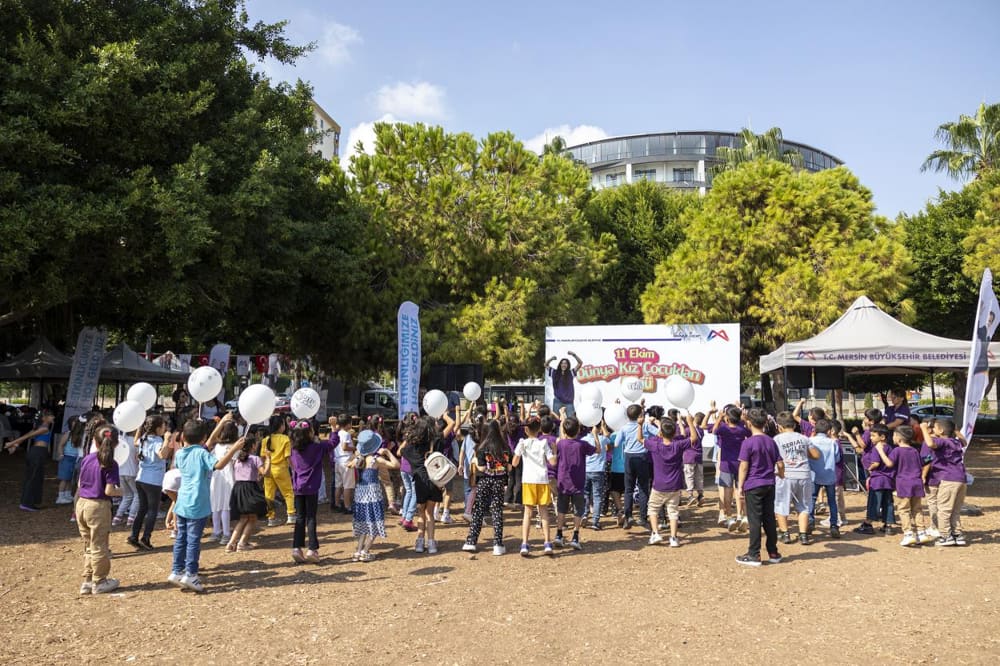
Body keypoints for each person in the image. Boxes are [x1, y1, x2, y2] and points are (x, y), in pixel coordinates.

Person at [169, 419, 245, 593]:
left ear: (183, 437)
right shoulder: (202, 454)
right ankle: (191, 574)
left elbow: (209, 441)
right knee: (193, 540)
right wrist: (233, 449)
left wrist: (222, 423)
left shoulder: (181, 453)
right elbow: (217, 465)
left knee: (181, 538)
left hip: (182, 502)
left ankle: (176, 570)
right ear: (202, 438)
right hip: (197, 502)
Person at [75, 425, 122, 594]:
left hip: (82, 503)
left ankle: (88, 580)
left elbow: (80, 484)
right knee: (100, 545)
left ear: (95, 441)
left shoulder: (87, 458)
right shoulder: (110, 464)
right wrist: (122, 491)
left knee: (89, 544)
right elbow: (110, 491)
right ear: (116, 444)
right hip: (98, 506)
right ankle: (100, 581)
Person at [735, 408, 785, 567]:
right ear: (765, 423)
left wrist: (740, 486)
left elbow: (743, 467)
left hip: (753, 484)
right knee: (769, 518)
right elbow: (780, 463)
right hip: (769, 483)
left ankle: (754, 554)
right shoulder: (771, 441)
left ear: (748, 423)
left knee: (755, 519)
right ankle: (773, 552)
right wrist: (781, 475)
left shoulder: (747, 442)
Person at [642, 413, 699, 548]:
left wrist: (640, 425)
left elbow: (640, 439)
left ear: (661, 433)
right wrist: (690, 422)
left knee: (652, 509)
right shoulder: (678, 445)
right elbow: (693, 438)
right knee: (673, 511)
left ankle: (655, 533)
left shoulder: (656, 445)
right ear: (675, 433)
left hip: (659, 485)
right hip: (675, 485)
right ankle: (673, 538)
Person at [874, 425, 931, 547]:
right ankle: (921, 532)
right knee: (917, 509)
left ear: (899, 438)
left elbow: (889, 463)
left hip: (904, 483)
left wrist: (880, 451)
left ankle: (908, 534)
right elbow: (921, 463)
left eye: (894, 435)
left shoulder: (897, 451)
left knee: (904, 509)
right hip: (916, 482)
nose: (892, 437)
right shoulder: (915, 450)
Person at [349, 429, 400, 561]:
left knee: (363, 522)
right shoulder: (376, 459)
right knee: (375, 521)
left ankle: (359, 551)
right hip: (373, 493)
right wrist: (388, 452)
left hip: (360, 494)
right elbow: (396, 464)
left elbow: (348, 464)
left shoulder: (358, 460)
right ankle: (365, 551)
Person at [289, 421, 335, 564]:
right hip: (311, 487)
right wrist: (333, 428)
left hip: (298, 487)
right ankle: (312, 549)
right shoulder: (316, 447)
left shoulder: (294, 450)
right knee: (311, 518)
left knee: (299, 517)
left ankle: (296, 548)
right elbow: (333, 443)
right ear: (310, 433)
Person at [462, 420, 511, 555]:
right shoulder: (505, 447)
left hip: (484, 481)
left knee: (478, 510)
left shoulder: (482, 448)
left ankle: (471, 541)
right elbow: (510, 467)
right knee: (497, 512)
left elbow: (482, 468)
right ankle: (498, 544)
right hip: (500, 482)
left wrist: (475, 461)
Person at [399, 417, 444, 554]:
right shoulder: (436, 442)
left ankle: (419, 542)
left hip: (419, 481)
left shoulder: (412, 446)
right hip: (434, 480)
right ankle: (431, 543)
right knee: (430, 513)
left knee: (420, 513)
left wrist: (408, 438)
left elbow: (400, 451)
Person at [513, 416, 557, 556]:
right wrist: (555, 451)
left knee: (528, 513)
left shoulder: (522, 443)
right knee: (543, 512)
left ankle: (525, 544)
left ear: (526, 429)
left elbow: (514, 463)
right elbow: (553, 462)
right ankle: (547, 543)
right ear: (539, 429)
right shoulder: (544, 443)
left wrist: (518, 452)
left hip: (528, 480)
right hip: (542, 480)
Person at [773, 412, 819, 545]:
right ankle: (803, 535)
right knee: (804, 505)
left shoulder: (777, 439)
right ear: (794, 424)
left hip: (785, 475)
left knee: (782, 503)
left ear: (779, 426)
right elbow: (816, 455)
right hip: (804, 474)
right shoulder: (804, 438)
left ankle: (785, 533)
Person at [920, 419, 968, 546]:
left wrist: (924, 428)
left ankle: (946, 536)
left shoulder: (942, 441)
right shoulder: (955, 442)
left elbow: (930, 444)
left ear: (940, 431)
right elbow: (964, 442)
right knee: (955, 509)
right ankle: (957, 534)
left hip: (948, 479)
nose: (933, 430)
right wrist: (956, 431)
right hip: (961, 479)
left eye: (934, 428)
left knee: (943, 509)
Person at [553, 416, 596, 550]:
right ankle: (575, 536)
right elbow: (598, 450)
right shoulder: (582, 444)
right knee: (578, 511)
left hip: (563, 481)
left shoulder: (560, 444)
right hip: (578, 483)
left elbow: (560, 438)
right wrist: (595, 435)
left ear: (565, 431)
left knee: (561, 509)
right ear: (578, 430)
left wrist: (562, 421)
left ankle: (559, 535)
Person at [128, 415, 170, 550]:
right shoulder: (158, 441)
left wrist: (140, 428)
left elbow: (135, 441)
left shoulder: (143, 439)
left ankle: (134, 535)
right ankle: (146, 538)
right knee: (152, 510)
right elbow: (162, 455)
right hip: (153, 480)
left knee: (142, 508)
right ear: (158, 428)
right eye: (164, 427)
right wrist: (167, 440)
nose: (165, 429)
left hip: (141, 478)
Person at [226, 430, 270, 552]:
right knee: (253, 518)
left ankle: (231, 543)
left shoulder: (237, 460)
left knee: (243, 518)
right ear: (252, 446)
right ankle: (242, 543)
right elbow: (265, 473)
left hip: (238, 489)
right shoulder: (255, 459)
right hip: (250, 488)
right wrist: (268, 459)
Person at [5, 409, 55, 511]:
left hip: (36, 453)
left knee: (34, 477)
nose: (53, 417)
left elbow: (25, 437)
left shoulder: (39, 427)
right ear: (44, 418)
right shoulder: (44, 428)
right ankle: (26, 504)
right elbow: (28, 436)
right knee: (33, 477)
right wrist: (11, 443)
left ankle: (30, 502)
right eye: (51, 416)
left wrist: (16, 444)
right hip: (37, 453)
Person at [849, 424, 895, 536]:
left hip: (877, 479)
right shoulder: (890, 448)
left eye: (873, 436)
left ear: (882, 437)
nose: (871, 438)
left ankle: (868, 524)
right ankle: (888, 525)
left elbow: (876, 463)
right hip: (888, 480)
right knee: (888, 503)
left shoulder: (876, 449)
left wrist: (869, 468)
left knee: (874, 502)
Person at [620, 404, 657, 530]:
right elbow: (658, 433)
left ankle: (628, 516)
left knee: (628, 489)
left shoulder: (624, 428)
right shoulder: (645, 426)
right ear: (640, 415)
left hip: (629, 457)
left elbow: (616, 443)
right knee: (643, 488)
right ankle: (642, 518)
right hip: (642, 457)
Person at [714, 406, 750, 532]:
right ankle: (744, 516)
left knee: (727, 492)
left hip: (726, 465)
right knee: (741, 490)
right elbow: (750, 433)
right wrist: (745, 420)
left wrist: (719, 417)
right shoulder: (742, 429)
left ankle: (729, 518)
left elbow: (714, 430)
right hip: (740, 463)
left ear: (727, 418)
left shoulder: (724, 429)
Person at [807, 419, 841, 539]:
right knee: (832, 501)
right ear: (828, 431)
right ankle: (834, 525)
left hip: (814, 475)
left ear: (815, 430)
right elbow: (837, 459)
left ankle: (810, 520)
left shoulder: (810, 441)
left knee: (811, 499)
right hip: (829, 475)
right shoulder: (832, 443)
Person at [208, 418, 239, 545]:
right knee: (226, 505)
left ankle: (216, 531)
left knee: (216, 504)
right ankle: (226, 533)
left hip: (216, 476)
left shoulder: (217, 446)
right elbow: (235, 463)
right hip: (228, 476)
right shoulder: (235, 447)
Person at [262, 414, 295, 527]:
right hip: (281, 469)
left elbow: (263, 456)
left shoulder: (265, 440)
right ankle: (291, 515)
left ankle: (271, 518)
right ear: (281, 426)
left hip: (268, 469)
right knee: (288, 492)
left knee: (269, 495)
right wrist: (294, 468)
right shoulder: (285, 439)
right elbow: (287, 457)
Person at [55, 415, 87, 505]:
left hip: (76, 458)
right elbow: (60, 444)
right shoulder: (68, 434)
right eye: (75, 422)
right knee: (64, 478)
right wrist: (61, 454)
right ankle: (60, 496)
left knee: (70, 478)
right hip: (67, 457)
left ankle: (67, 494)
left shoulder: (80, 435)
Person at [583, 420, 609, 530]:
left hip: (586, 470)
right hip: (598, 470)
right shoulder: (602, 439)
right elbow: (608, 437)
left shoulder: (584, 440)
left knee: (585, 494)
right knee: (597, 496)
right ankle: (595, 521)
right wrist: (602, 427)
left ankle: (584, 515)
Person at [332, 414, 356, 514]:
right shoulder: (346, 434)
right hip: (346, 461)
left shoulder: (337, 433)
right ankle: (347, 506)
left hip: (337, 460)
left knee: (338, 485)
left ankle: (337, 504)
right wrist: (355, 448)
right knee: (348, 485)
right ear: (347, 424)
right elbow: (345, 447)